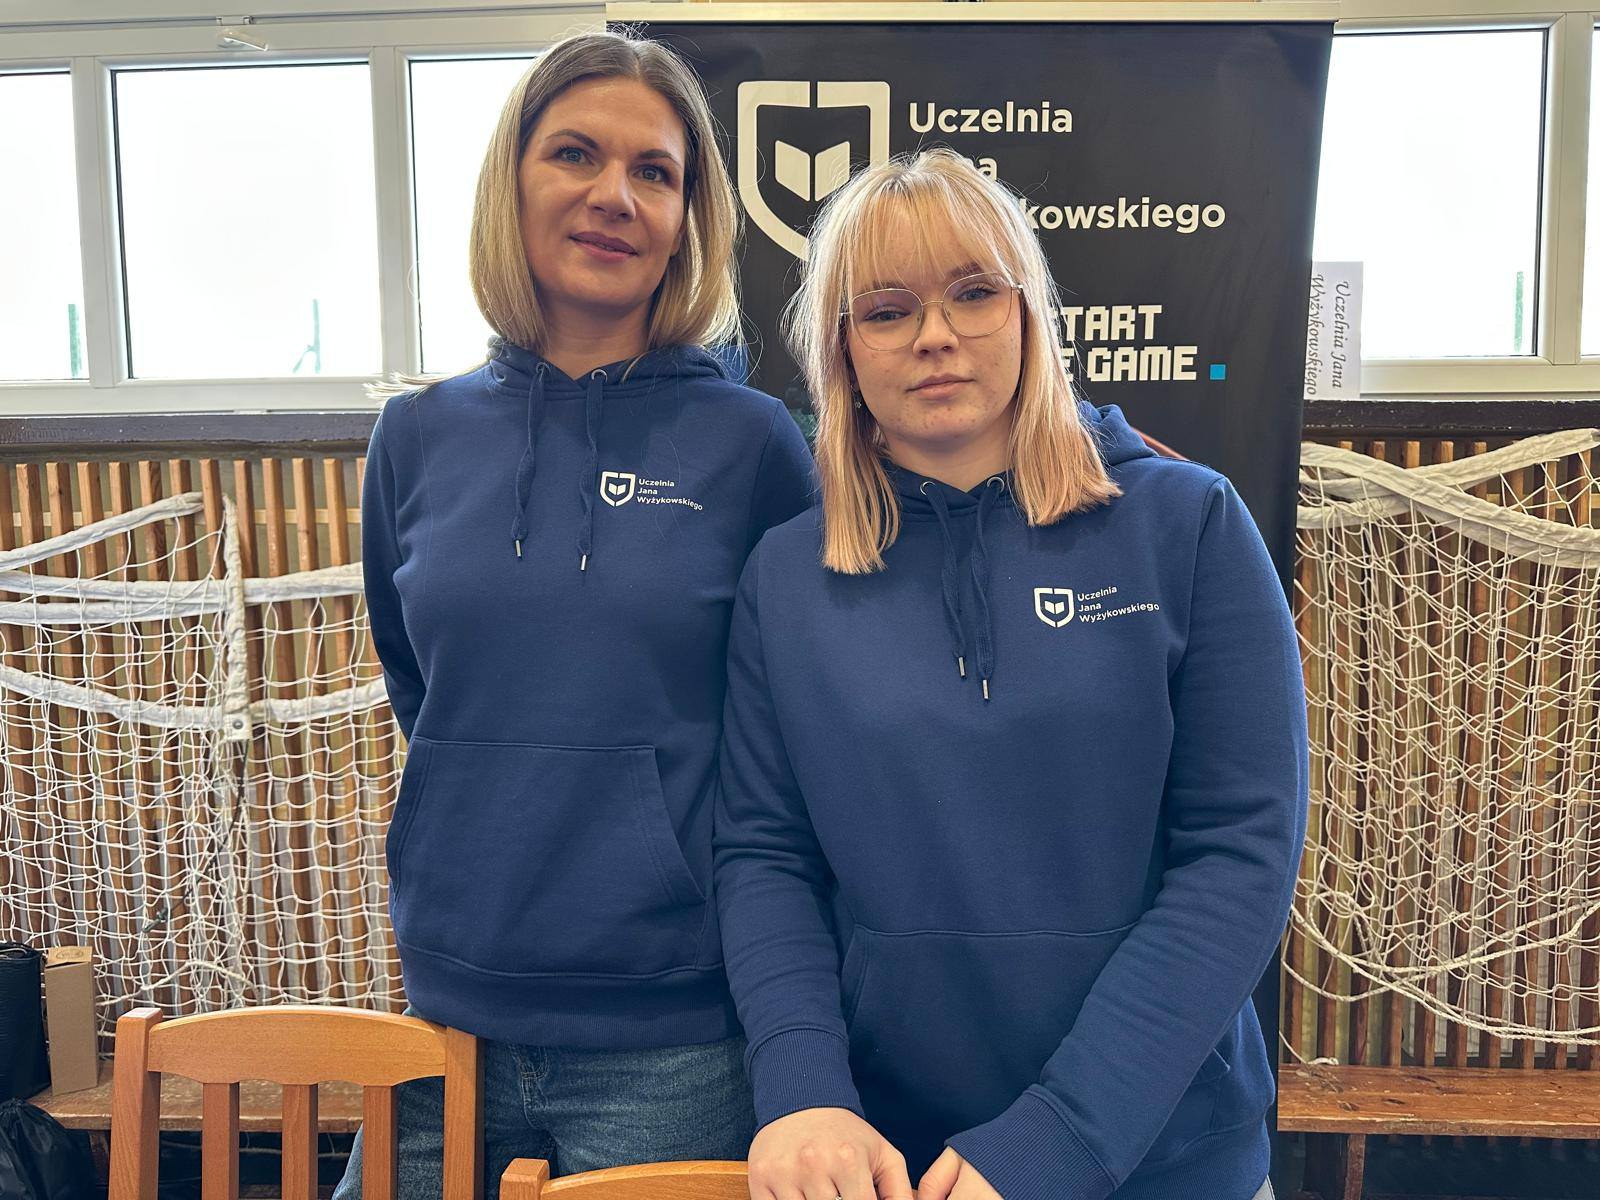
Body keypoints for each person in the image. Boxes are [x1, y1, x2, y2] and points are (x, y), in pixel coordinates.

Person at [714, 148, 1306, 1200]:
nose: (935, 334)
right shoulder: (785, 577)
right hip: (898, 1162)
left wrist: (1059, 1140)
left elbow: (1239, 855)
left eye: (973, 292)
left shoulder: (1188, 523)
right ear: (841, 350)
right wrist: (802, 1090)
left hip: (1167, 1157)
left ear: (1030, 312)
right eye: (886, 310)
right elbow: (766, 855)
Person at [335, 30, 814, 1200]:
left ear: (688, 219)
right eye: (575, 154)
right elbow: (420, 688)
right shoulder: (415, 438)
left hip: (674, 1032)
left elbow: (795, 727)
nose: (614, 195)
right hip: (446, 1010)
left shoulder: (753, 445)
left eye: (654, 172)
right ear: (513, 182)